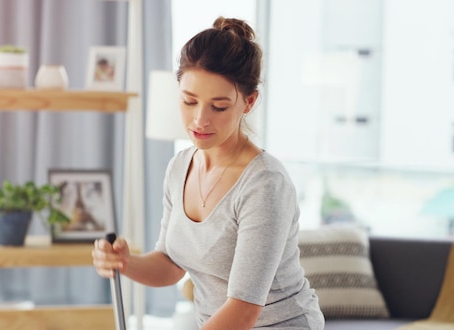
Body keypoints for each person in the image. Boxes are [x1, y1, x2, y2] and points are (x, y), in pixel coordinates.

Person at [92, 16, 325, 329]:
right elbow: (171, 264)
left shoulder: (265, 184)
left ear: (249, 101)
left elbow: (243, 310)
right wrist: (124, 263)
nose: (199, 120)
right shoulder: (179, 168)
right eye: (189, 101)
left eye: (219, 107)